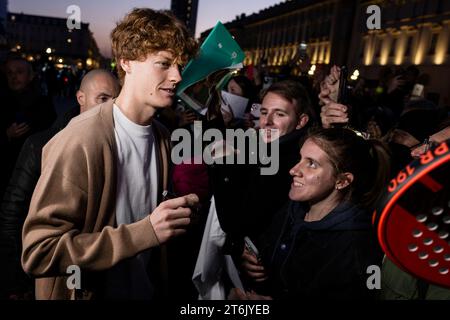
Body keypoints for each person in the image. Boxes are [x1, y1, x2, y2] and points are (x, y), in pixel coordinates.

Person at [21, 8, 199, 300]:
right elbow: (39, 252)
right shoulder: (81, 139)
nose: (177, 76)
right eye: (164, 64)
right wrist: (144, 233)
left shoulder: (163, 137)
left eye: (180, 65)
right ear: (126, 62)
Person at [0, 69, 120, 299]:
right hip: (44, 275)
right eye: (102, 99)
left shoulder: (116, 146)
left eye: (115, 101)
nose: (109, 109)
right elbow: (12, 215)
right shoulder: (41, 145)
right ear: (80, 98)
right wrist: (14, 282)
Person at [235, 128, 390, 300]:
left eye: (312, 164)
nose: (294, 170)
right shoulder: (293, 209)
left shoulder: (356, 247)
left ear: (342, 181)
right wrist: (251, 260)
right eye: (300, 159)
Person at [0, 57, 56, 197]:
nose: (14, 77)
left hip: (31, 177)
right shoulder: (2, 101)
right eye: (9, 73)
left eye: (19, 72)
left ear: (30, 76)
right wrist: (6, 135)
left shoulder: (44, 105)